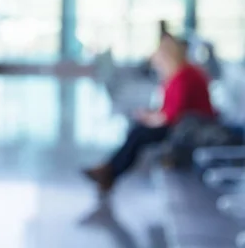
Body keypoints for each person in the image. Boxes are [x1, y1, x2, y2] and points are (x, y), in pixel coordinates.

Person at [83, 34, 214, 193]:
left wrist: (151, 118)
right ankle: (109, 170)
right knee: (138, 131)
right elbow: (170, 109)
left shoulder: (184, 76)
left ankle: (109, 171)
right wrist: (150, 116)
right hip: (184, 124)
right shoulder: (178, 74)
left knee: (139, 133)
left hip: (192, 128)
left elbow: (173, 115)